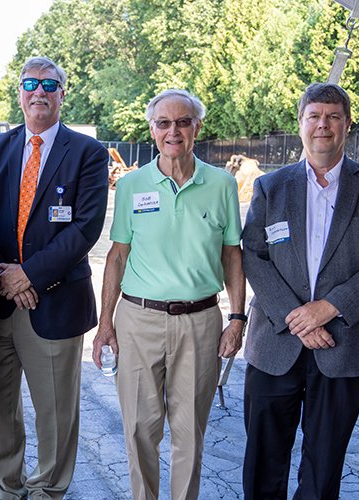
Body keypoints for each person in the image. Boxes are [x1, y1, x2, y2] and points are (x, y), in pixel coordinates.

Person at [241, 83, 359, 499]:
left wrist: (329, 307)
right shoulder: (271, 187)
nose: (323, 125)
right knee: (263, 458)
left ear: (347, 125)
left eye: (333, 117)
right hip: (275, 344)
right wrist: (297, 318)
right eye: (314, 116)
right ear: (300, 124)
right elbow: (253, 254)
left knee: (324, 463)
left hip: (343, 344)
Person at [92, 89, 246, 500]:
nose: (173, 131)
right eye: (164, 123)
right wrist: (105, 323)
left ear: (197, 127)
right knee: (140, 428)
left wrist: (237, 317)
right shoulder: (131, 186)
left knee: (189, 433)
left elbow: (233, 254)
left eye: (182, 122)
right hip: (138, 320)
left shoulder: (222, 184)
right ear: (152, 130)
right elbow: (117, 255)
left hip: (201, 322)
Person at [0, 56, 109, 499]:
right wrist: (4, 277)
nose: (39, 92)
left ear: (61, 94)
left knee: (55, 411)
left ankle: (49, 489)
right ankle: (7, 486)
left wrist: (28, 276)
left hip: (53, 302)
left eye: (48, 85)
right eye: (30, 84)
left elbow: (85, 228)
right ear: (19, 93)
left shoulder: (88, 153)